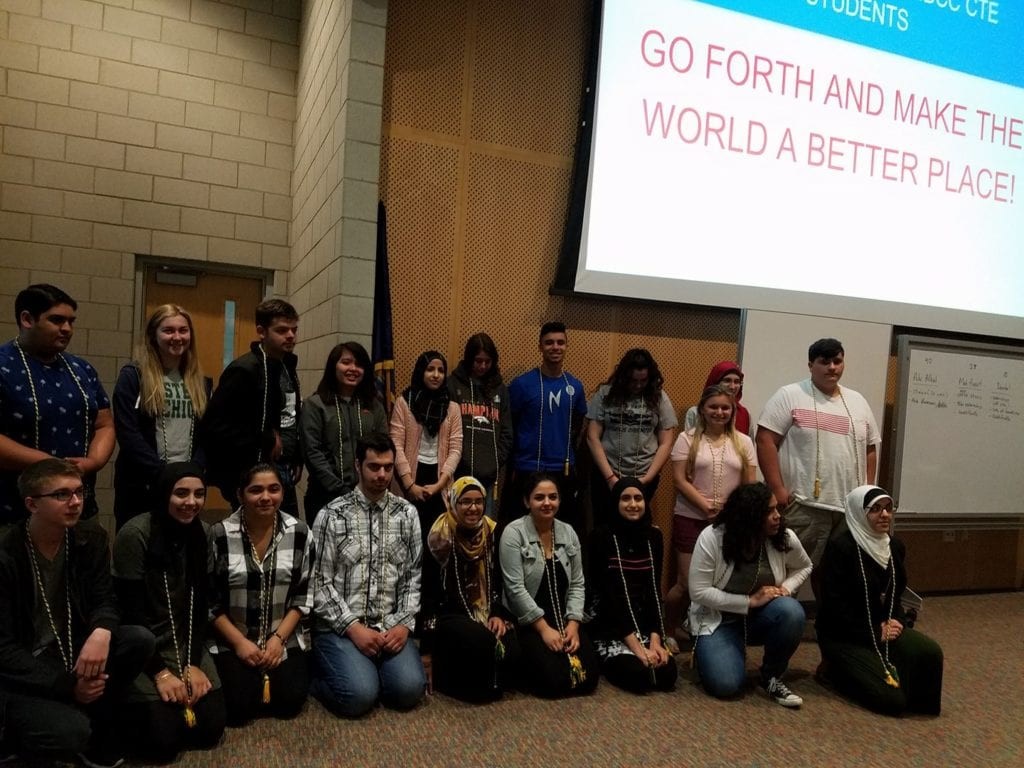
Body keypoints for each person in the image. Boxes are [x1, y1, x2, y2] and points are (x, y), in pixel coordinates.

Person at [0, 459, 153, 768]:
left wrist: (102, 630)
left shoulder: (89, 539)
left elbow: (105, 600)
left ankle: (89, 710)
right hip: (23, 669)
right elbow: (3, 650)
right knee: (69, 733)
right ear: (32, 504)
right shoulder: (7, 554)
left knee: (139, 639)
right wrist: (68, 685)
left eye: (79, 493)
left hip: (71, 649)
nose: (75, 502)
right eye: (61, 495)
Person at [112, 463, 225, 763]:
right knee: (163, 743)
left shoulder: (202, 531)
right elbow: (130, 612)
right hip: (146, 645)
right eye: (181, 493)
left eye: (199, 494)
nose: (191, 502)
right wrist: (161, 673)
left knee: (211, 727)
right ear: (164, 494)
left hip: (188, 641)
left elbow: (201, 605)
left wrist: (192, 664)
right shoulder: (135, 534)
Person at [310, 433, 426, 717]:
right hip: (343, 628)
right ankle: (317, 676)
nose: (382, 474)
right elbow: (319, 584)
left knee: (410, 690)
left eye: (388, 467)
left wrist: (404, 625)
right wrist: (353, 628)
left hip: (389, 625)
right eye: (374, 467)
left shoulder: (407, 513)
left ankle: (369, 671)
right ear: (357, 465)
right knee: (358, 697)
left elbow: (413, 576)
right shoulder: (331, 515)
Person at [756, 338, 880, 584]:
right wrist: (777, 489)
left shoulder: (858, 401)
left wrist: (867, 491)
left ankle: (830, 622)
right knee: (784, 570)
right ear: (811, 364)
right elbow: (764, 440)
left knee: (837, 578)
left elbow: (870, 448)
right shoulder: (790, 395)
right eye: (825, 362)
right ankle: (776, 618)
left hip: (849, 510)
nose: (832, 367)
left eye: (837, 361)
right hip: (805, 505)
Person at [816, 486, 943, 716]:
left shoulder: (894, 547)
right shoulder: (842, 548)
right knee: (892, 701)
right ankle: (834, 672)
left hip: (884, 629)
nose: (884, 515)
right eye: (875, 509)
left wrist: (896, 620)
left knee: (929, 653)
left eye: (888, 508)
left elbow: (896, 591)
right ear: (858, 513)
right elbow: (834, 608)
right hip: (845, 636)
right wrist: (873, 632)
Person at [0, 284, 115, 526]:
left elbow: (104, 424)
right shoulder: (4, 366)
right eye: (56, 320)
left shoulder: (81, 369)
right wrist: (47, 463)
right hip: (14, 509)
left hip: (77, 508)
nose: (67, 329)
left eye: (71, 321)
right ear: (27, 319)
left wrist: (93, 462)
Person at [688, 482, 811, 707]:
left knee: (791, 611)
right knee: (726, 685)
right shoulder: (713, 537)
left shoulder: (783, 535)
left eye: (777, 509)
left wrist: (786, 589)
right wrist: (749, 601)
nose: (777, 517)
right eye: (769, 511)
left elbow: (804, 566)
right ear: (749, 515)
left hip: (759, 618)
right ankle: (712, 651)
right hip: (719, 619)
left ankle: (771, 676)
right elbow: (698, 591)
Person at [209, 464, 314, 725]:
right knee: (238, 710)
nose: (266, 497)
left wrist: (278, 639)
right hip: (234, 637)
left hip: (282, 635)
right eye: (256, 490)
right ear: (240, 494)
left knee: (290, 703)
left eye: (274, 489)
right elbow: (210, 603)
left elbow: (304, 596)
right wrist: (239, 643)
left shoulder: (300, 532)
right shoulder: (219, 534)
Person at [665, 384, 757, 652]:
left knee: (721, 581)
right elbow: (680, 480)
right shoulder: (687, 438)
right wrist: (704, 506)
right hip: (691, 516)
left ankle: (708, 630)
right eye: (713, 407)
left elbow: (749, 485)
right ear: (702, 409)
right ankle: (668, 628)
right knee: (686, 583)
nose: (719, 412)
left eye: (725, 408)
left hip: (729, 521)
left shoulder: (744, 442)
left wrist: (732, 512)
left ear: (733, 410)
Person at [112, 304, 212, 530]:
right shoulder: (133, 377)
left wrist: (192, 472)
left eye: (183, 330)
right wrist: (163, 474)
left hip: (186, 487)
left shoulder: (200, 382)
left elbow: (208, 434)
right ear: (153, 335)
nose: (177, 337)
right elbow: (128, 433)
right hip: (143, 484)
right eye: (168, 330)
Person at [499, 472, 598, 698]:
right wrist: (544, 630)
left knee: (589, 678)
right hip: (528, 621)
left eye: (553, 497)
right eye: (539, 497)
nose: (547, 503)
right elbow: (515, 589)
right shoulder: (514, 533)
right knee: (554, 682)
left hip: (563, 618)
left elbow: (577, 583)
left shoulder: (568, 532)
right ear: (527, 501)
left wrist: (573, 623)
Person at [422, 476, 520, 702]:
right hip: (448, 613)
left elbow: (496, 579)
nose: (473, 508)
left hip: (484, 609)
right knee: (481, 642)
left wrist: (495, 612)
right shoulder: (439, 537)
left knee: (510, 643)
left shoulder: (491, 531)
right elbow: (429, 591)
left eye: (478, 502)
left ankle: (489, 678)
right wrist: (426, 649)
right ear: (453, 503)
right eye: (465, 502)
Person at [201, 299, 302, 514]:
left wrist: (296, 455)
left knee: (286, 536)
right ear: (261, 331)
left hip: (282, 467)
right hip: (251, 469)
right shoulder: (244, 370)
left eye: (294, 329)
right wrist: (262, 439)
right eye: (282, 330)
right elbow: (215, 426)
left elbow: (289, 416)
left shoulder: (287, 366)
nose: (291, 336)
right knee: (254, 538)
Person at [587, 477, 677, 693]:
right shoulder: (601, 537)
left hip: (643, 624)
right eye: (625, 498)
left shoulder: (653, 536)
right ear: (615, 503)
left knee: (667, 675)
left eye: (638, 498)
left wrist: (656, 641)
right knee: (639, 676)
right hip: (611, 625)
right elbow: (608, 598)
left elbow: (655, 591)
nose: (633, 504)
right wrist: (637, 649)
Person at [506, 322, 588, 531]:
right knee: (523, 529)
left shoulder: (575, 386)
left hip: (562, 470)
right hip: (527, 468)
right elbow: (510, 424)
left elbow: (578, 427)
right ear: (540, 346)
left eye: (561, 342)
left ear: (567, 346)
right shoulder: (522, 384)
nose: (555, 347)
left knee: (561, 530)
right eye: (549, 342)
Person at [586, 348, 677, 525]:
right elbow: (592, 437)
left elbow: (666, 443)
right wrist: (610, 478)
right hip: (607, 474)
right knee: (604, 526)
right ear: (624, 376)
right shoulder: (606, 394)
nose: (637, 385)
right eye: (633, 380)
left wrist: (647, 479)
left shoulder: (659, 398)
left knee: (636, 527)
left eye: (643, 380)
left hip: (643, 475)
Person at [299, 341, 387, 523]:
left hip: (367, 495)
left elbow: (383, 445)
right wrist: (340, 490)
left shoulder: (374, 405)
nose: (353, 368)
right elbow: (313, 452)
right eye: (346, 362)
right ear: (333, 366)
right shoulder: (315, 405)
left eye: (359, 364)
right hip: (324, 496)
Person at [447, 333, 513, 518]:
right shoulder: (452, 384)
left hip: (489, 476)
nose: (482, 366)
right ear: (469, 359)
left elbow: (507, 433)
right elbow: (446, 430)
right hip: (458, 471)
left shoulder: (500, 389)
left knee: (483, 529)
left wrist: (494, 461)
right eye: (478, 361)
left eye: (487, 361)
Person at [683, 361, 751, 436]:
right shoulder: (695, 413)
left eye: (737, 382)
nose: (732, 386)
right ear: (715, 382)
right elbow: (689, 442)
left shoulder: (745, 414)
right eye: (727, 380)